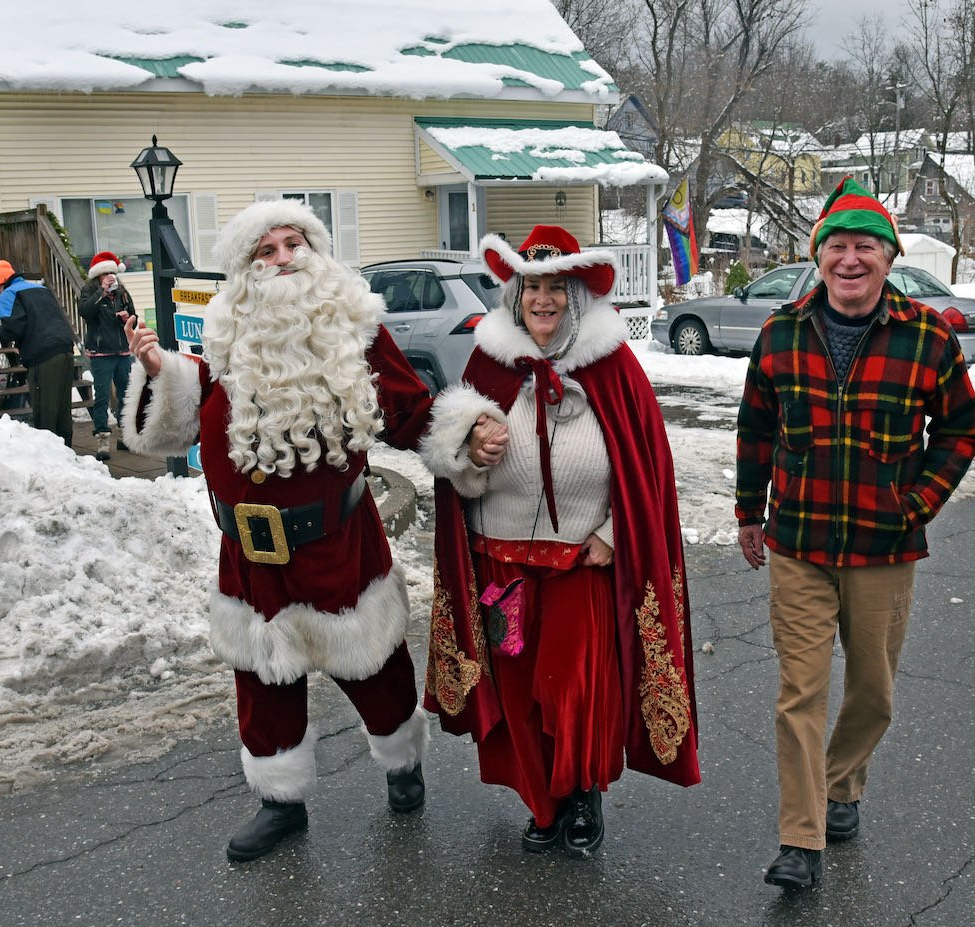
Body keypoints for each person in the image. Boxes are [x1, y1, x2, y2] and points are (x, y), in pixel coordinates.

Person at [122, 199, 434, 863]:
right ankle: (280, 802)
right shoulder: (230, 338)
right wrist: (159, 374)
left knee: (374, 665)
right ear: (245, 270)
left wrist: (471, 435)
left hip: (337, 540)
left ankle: (402, 762)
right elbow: (181, 425)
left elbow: (411, 413)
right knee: (262, 676)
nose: (284, 257)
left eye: (294, 244)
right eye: (267, 251)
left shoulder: (356, 332)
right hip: (249, 551)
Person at [421, 225, 700, 857]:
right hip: (500, 561)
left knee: (572, 688)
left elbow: (646, 469)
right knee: (517, 689)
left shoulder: (614, 368)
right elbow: (451, 465)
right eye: (531, 288)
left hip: (582, 560)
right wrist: (467, 447)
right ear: (515, 295)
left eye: (556, 288)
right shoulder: (487, 363)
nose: (542, 300)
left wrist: (612, 531)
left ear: (576, 296)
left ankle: (581, 797)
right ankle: (540, 803)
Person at [736, 176, 975, 889]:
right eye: (837, 245)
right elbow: (755, 430)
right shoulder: (781, 331)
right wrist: (751, 512)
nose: (849, 259)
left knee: (873, 690)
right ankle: (800, 840)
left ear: (887, 256)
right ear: (819, 254)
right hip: (799, 544)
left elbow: (961, 428)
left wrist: (919, 501)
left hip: (883, 546)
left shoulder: (927, 336)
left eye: (864, 246)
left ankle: (842, 785)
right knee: (798, 691)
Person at [0, 260, 76, 446]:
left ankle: (50, 457)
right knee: (62, 407)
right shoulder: (40, 289)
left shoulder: (8, 294)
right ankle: (67, 451)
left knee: (45, 410)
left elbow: (12, 330)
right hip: (65, 349)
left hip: (43, 356)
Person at [78, 251, 137, 460]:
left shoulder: (122, 292)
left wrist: (127, 318)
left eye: (113, 273)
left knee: (125, 395)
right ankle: (102, 440)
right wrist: (101, 293)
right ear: (98, 276)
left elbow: (134, 319)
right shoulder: (89, 291)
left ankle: (125, 437)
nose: (110, 277)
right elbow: (84, 311)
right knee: (102, 396)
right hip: (100, 352)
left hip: (122, 352)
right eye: (106, 274)